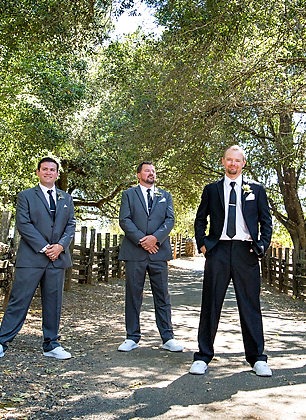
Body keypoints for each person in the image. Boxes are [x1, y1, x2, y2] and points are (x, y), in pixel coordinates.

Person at [191, 145, 273, 376]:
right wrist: (204, 245)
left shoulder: (256, 189)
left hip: (246, 252)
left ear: (243, 163)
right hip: (218, 251)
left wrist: (261, 246)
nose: (233, 164)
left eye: (237, 160)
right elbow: (200, 220)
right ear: (223, 161)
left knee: (250, 305)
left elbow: (267, 222)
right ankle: (203, 356)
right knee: (211, 303)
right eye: (229, 160)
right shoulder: (212, 189)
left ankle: (257, 358)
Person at [0, 157, 76, 361]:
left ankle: (51, 344)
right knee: (19, 300)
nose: (48, 172)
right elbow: (23, 224)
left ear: (57, 174)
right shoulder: (26, 196)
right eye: (45, 169)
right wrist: (45, 248)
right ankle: (0, 343)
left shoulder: (66, 199)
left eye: (52, 170)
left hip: (57, 259)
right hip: (32, 258)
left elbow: (71, 225)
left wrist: (60, 247)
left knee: (53, 303)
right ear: (38, 172)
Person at [117, 162, 183, 353]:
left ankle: (167, 337)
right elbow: (124, 219)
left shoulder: (165, 195)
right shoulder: (128, 195)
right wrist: (142, 240)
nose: (151, 173)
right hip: (135, 253)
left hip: (158, 252)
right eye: (147, 170)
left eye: (153, 171)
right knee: (133, 295)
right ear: (139, 174)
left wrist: (155, 239)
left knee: (162, 295)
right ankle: (132, 337)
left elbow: (170, 220)